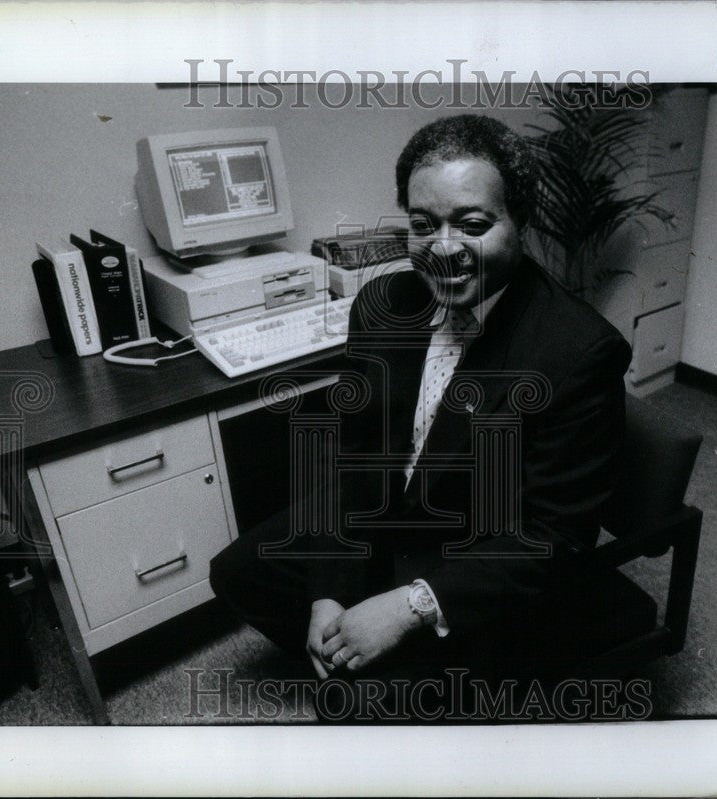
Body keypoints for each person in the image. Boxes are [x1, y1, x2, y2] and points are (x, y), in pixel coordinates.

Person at [209, 114, 631, 719]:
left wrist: (407, 607)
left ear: (521, 221)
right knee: (238, 574)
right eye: (422, 225)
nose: (444, 250)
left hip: (477, 555)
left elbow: (552, 541)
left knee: (358, 704)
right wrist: (330, 593)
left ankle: (401, 702)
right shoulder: (383, 305)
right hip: (392, 516)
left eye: (474, 224)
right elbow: (353, 461)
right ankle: (357, 673)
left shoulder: (579, 352)